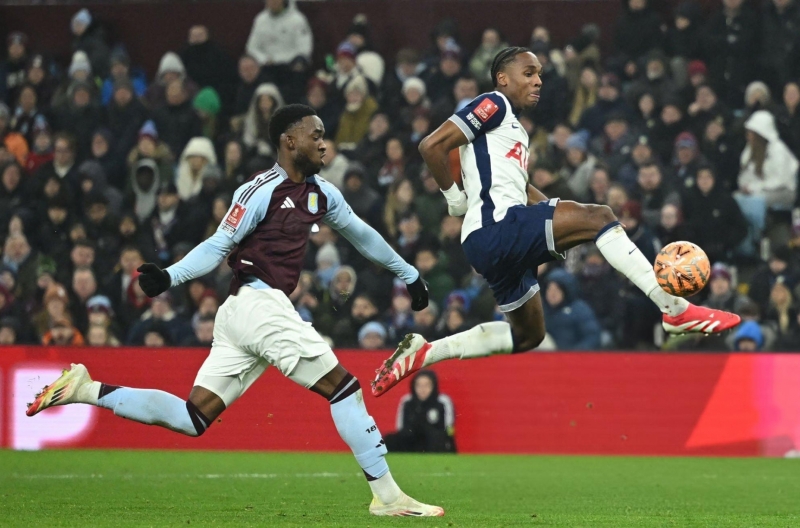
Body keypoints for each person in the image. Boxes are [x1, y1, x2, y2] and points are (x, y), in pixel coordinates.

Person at [27, 104, 443, 518]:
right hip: (258, 304)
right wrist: (171, 277)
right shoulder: (260, 190)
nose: (323, 143)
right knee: (344, 389)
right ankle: (388, 497)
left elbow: (362, 235)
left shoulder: (322, 193)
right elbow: (218, 244)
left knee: (194, 417)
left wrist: (409, 275)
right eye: (314, 135)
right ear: (289, 140)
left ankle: (87, 390)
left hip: (243, 314)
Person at [372, 47, 740, 396]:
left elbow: (521, 187)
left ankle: (424, 352)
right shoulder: (494, 102)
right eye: (528, 73)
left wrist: (558, 222)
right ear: (502, 77)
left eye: (540, 74)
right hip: (496, 228)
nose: (538, 81)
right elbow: (431, 145)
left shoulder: (514, 129)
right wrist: (454, 197)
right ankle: (674, 310)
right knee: (601, 216)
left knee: (528, 336)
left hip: (493, 240)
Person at [384, 370, 456, 453]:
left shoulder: (443, 401)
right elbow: (400, 427)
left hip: (434, 442)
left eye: (426, 385)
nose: (423, 389)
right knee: (390, 439)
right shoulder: (407, 401)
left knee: (439, 439)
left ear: (434, 385)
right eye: (419, 385)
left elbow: (449, 428)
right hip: (412, 441)